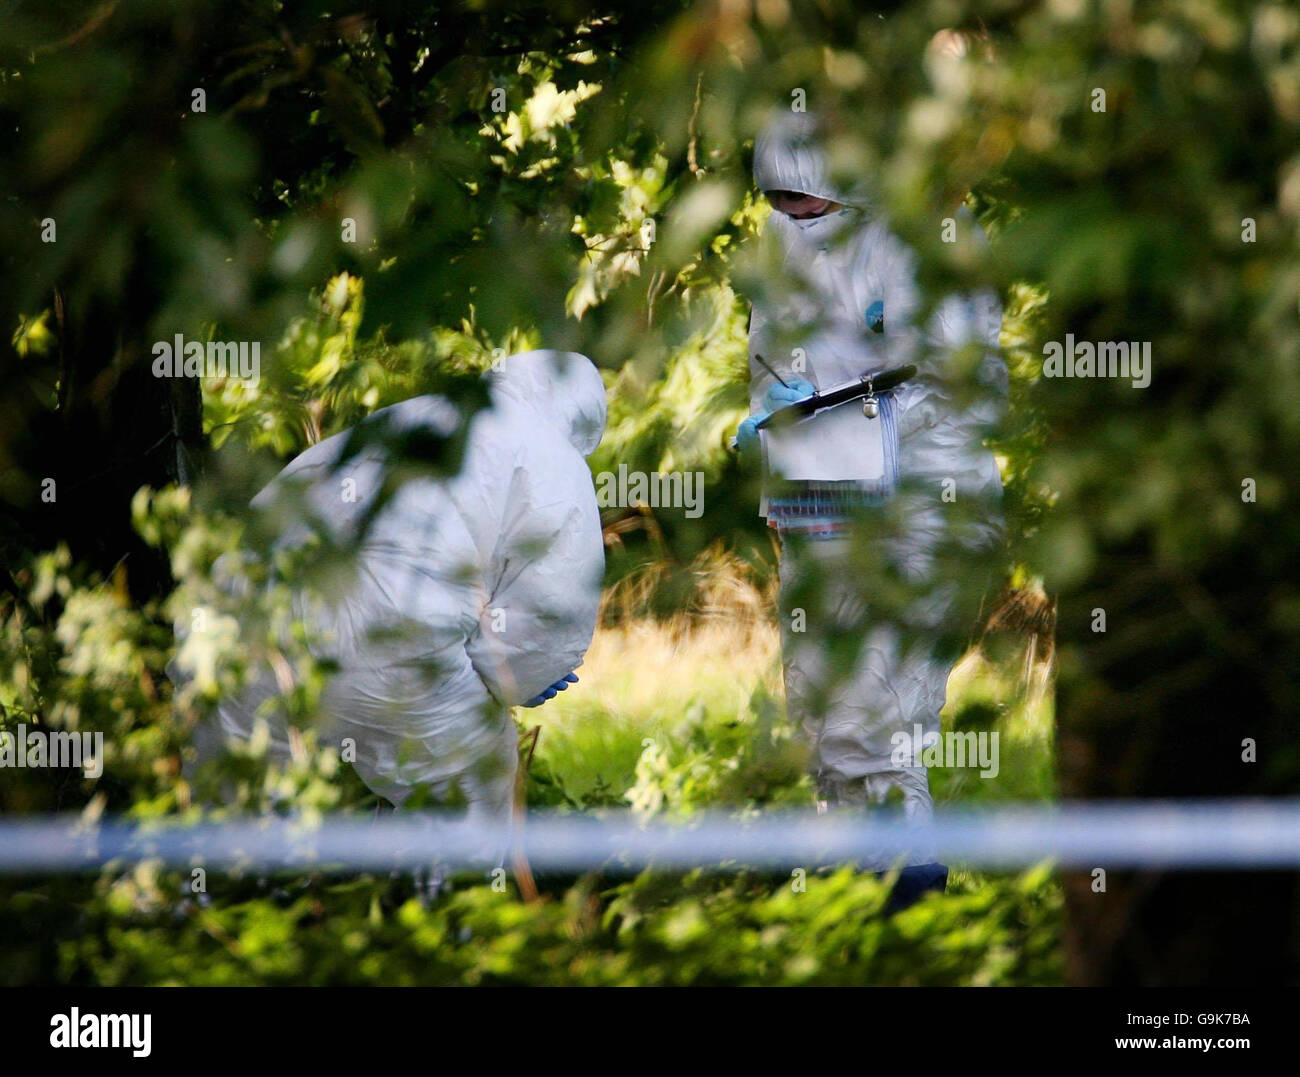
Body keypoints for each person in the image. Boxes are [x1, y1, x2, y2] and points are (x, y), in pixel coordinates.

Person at [736, 111, 1006, 895]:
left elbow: (960, 368)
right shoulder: (781, 243)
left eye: (807, 203)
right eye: (780, 203)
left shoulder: (924, 232)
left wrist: (904, 342)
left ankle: (907, 884)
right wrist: (776, 404)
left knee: (882, 704)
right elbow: (775, 350)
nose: (793, 218)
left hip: (922, 498)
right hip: (820, 497)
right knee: (822, 701)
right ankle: (858, 881)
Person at [184, 350, 607, 832]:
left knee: (234, 816)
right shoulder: (556, 458)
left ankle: (218, 898)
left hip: (239, 615)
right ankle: (447, 900)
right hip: (391, 641)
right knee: (472, 799)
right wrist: (521, 680)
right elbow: (553, 617)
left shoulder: (417, 413)